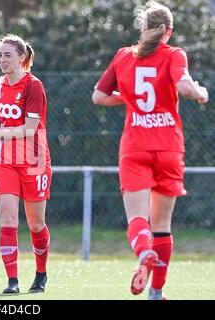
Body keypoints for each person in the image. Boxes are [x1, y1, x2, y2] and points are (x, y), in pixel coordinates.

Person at [92, 1, 209, 300]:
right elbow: (184, 88)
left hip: (135, 147)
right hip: (168, 147)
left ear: (143, 28)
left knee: (137, 219)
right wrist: (201, 93)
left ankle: (143, 252)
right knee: (162, 225)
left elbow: (99, 96)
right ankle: (156, 292)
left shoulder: (123, 56)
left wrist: (128, 99)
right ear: (168, 31)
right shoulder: (173, 54)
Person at [0, 34, 52, 294]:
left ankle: (40, 275)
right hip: (6, 160)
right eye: (0, 55)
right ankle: (13, 281)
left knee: (36, 224)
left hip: (34, 160)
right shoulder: (0, 82)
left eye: (8, 55)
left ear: (22, 58)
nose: (2, 60)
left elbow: (30, 129)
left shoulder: (34, 85)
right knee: (7, 219)